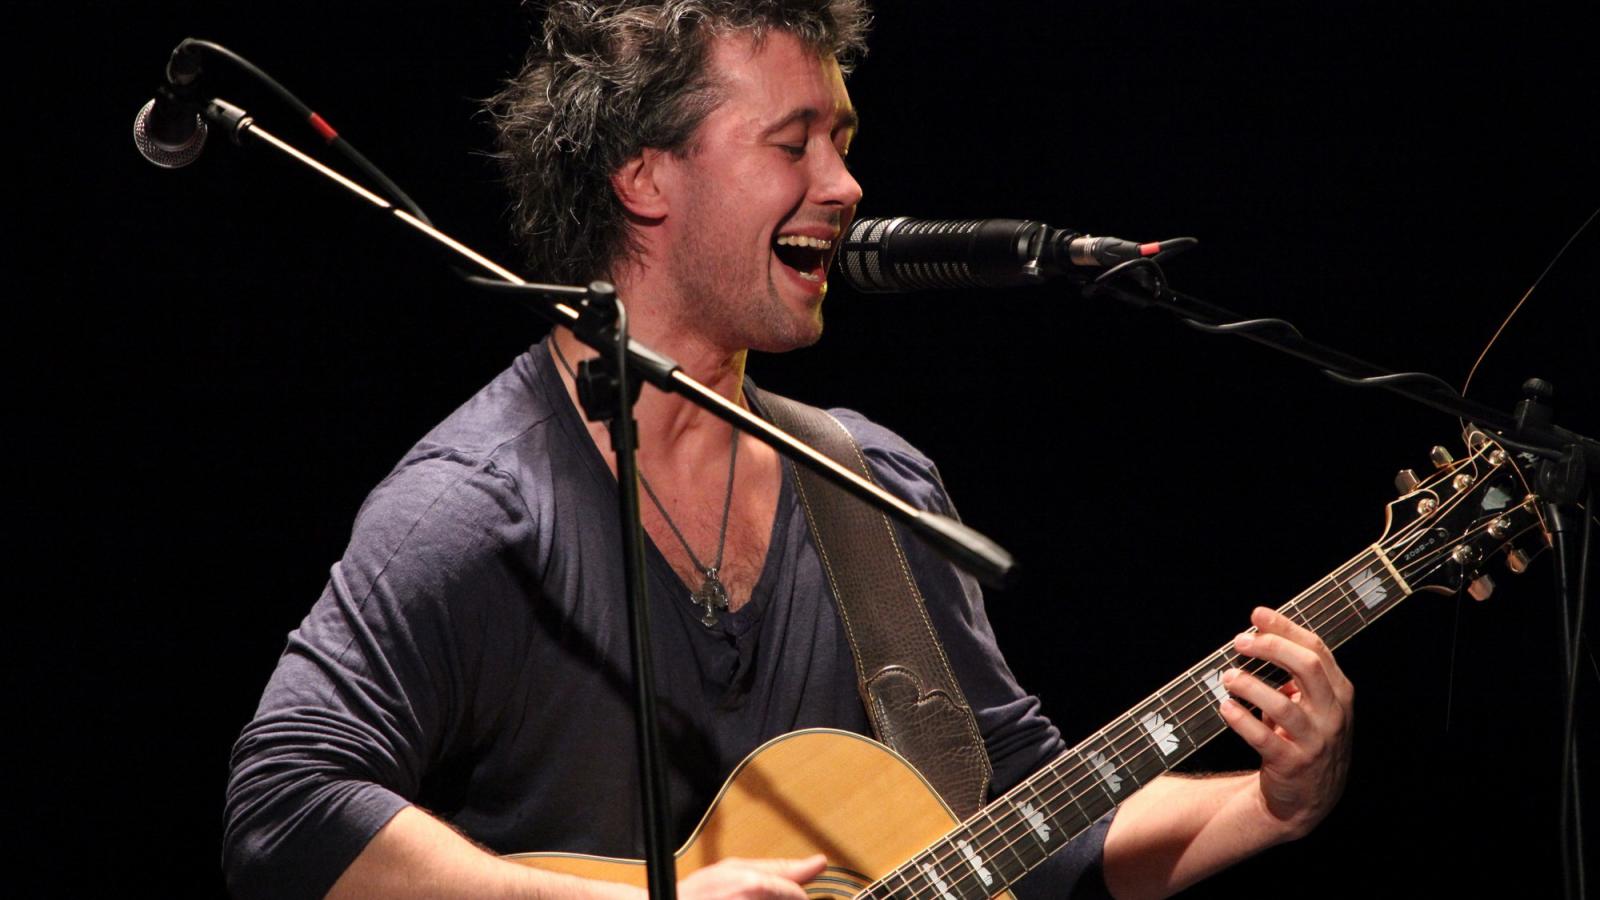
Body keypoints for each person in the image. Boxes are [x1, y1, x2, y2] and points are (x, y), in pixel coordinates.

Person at [222, 3, 1354, 899]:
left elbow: (1030, 824)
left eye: (842, 142)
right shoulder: (477, 507)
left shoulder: (875, 486)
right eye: (792, 142)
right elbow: (280, 807)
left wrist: (1269, 805)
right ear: (643, 175)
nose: (845, 186)